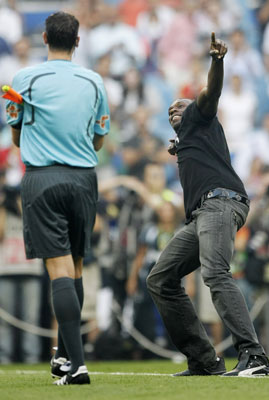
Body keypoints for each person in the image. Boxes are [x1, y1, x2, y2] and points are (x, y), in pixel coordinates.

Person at [146, 32, 269, 377]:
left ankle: (254, 356)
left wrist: (216, 61)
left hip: (220, 202)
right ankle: (203, 360)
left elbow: (210, 92)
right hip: (204, 213)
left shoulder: (201, 116)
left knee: (215, 272)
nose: (176, 108)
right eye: (171, 108)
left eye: (181, 104)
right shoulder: (188, 139)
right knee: (160, 278)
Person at [4, 12, 110, 385]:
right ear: (78, 41)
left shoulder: (23, 80)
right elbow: (99, 140)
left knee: (58, 270)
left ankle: (77, 365)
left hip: (43, 178)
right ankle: (65, 357)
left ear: (44, 38)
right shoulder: (94, 81)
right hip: (83, 180)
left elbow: (15, 138)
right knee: (77, 266)